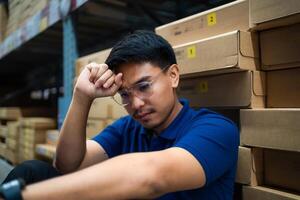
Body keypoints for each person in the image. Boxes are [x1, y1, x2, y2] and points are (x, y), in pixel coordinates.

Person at [1, 30, 239, 200]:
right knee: (33, 171)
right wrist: (82, 97)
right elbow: (65, 165)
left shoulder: (215, 129)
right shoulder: (128, 128)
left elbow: (152, 177)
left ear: (173, 75)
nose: (135, 104)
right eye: (125, 94)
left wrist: (21, 196)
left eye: (144, 86)